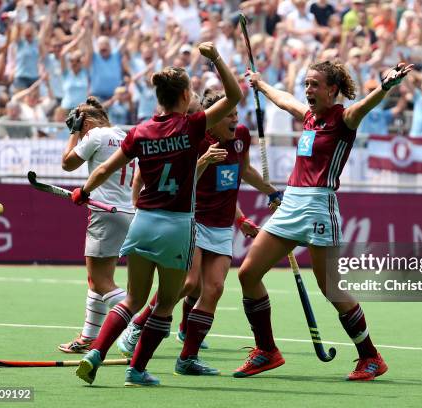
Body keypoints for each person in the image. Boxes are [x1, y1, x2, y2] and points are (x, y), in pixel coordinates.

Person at [73, 41, 242, 387]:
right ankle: (136, 370)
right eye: (191, 91)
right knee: (165, 302)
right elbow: (235, 95)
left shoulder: (139, 132)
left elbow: (105, 169)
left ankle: (96, 353)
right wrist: (216, 59)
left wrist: (84, 191)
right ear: (182, 96)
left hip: (143, 221)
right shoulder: (192, 126)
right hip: (176, 226)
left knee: (133, 298)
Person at [233, 61, 412, 381]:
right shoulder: (309, 118)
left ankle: (370, 357)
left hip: (318, 206)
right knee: (248, 273)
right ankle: (266, 351)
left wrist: (385, 87)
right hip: (291, 204)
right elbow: (286, 99)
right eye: (306, 84)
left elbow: (365, 105)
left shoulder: (344, 118)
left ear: (332, 89)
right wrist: (260, 85)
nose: (308, 90)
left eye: (315, 85)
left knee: (330, 286)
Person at [116, 90, 280, 376]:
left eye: (236, 115)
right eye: (228, 115)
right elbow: (167, 178)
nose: (234, 120)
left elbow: (242, 173)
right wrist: (203, 160)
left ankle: (187, 358)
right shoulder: (194, 137)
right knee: (190, 283)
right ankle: (138, 325)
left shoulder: (240, 136)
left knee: (214, 289)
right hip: (193, 220)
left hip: (222, 225)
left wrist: (271, 192)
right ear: (212, 119)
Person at [58, 97, 135, 353]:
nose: (80, 132)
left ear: (87, 122)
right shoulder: (124, 135)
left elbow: (67, 163)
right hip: (127, 213)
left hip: (104, 213)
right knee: (97, 280)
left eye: (80, 126)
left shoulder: (97, 135)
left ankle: (141, 324)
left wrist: (73, 134)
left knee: (102, 282)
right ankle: (88, 338)